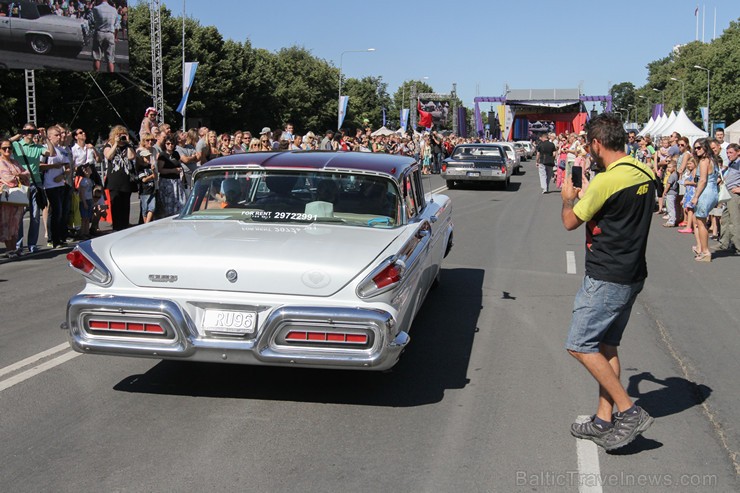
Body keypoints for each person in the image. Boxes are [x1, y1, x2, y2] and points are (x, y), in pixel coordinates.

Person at [561, 113, 654, 451]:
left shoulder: (604, 182)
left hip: (606, 276)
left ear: (597, 144)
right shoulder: (644, 171)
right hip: (632, 273)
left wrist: (569, 197)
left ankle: (629, 411)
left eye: (589, 144)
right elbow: (619, 210)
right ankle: (603, 419)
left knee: (579, 344)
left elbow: (571, 222)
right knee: (606, 345)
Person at [10, 124, 55, 253]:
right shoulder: (16, 145)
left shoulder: (37, 147)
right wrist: (19, 134)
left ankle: (32, 244)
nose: (30, 133)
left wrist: (45, 138)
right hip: (21, 184)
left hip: (36, 183)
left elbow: (51, 153)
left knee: (35, 216)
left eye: (32, 131)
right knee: (19, 216)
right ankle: (18, 245)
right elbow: (3, 144)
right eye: (27, 131)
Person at [103, 126, 137, 231]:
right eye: (119, 135)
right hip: (114, 180)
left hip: (126, 180)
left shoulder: (128, 146)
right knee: (116, 204)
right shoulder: (109, 145)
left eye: (123, 134)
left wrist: (127, 143)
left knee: (125, 205)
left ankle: (125, 226)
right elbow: (108, 156)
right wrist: (116, 144)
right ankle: (117, 227)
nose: (121, 137)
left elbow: (131, 157)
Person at [0, 140, 30, 258]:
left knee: (15, 223)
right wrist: (19, 176)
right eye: (4, 148)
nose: (8, 150)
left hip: (18, 197)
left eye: (10, 148)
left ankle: (14, 247)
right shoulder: (1, 162)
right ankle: (9, 249)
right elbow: (7, 178)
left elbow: (26, 173)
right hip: (7, 197)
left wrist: (20, 176)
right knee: (6, 222)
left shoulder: (14, 162)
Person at [690, 138, 719, 262]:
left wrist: (696, 196)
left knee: (701, 223)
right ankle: (702, 249)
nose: (696, 150)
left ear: (705, 147)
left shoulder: (704, 161)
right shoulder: (713, 160)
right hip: (712, 191)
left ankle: (705, 251)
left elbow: (703, 180)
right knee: (701, 221)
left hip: (705, 192)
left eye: (699, 148)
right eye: (695, 148)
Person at [716, 143, 740, 254]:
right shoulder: (732, 163)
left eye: (731, 152)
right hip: (728, 192)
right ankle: (724, 243)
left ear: (738, 152)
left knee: (734, 221)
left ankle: (738, 246)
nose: (728, 155)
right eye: (727, 153)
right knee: (725, 218)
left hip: (734, 194)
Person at [157, 136, 186, 216]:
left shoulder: (176, 154)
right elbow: (160, 169)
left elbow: (179, 164)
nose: (170, 145)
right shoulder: (162, 155)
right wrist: (172, 170)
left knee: (181, 202)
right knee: (168, 204)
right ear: (165, 144)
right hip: (167, 182)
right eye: (168, 143)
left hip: (177, 181)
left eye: (172, 143)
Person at [92, 0, 118, 73]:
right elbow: (117, 26)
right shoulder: (114, 10)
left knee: (97, 57)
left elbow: (92, 20)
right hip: (110, 34)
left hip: (99, 32)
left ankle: (96, 72)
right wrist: (115, 36)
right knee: (110, 59)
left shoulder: (96, 8)